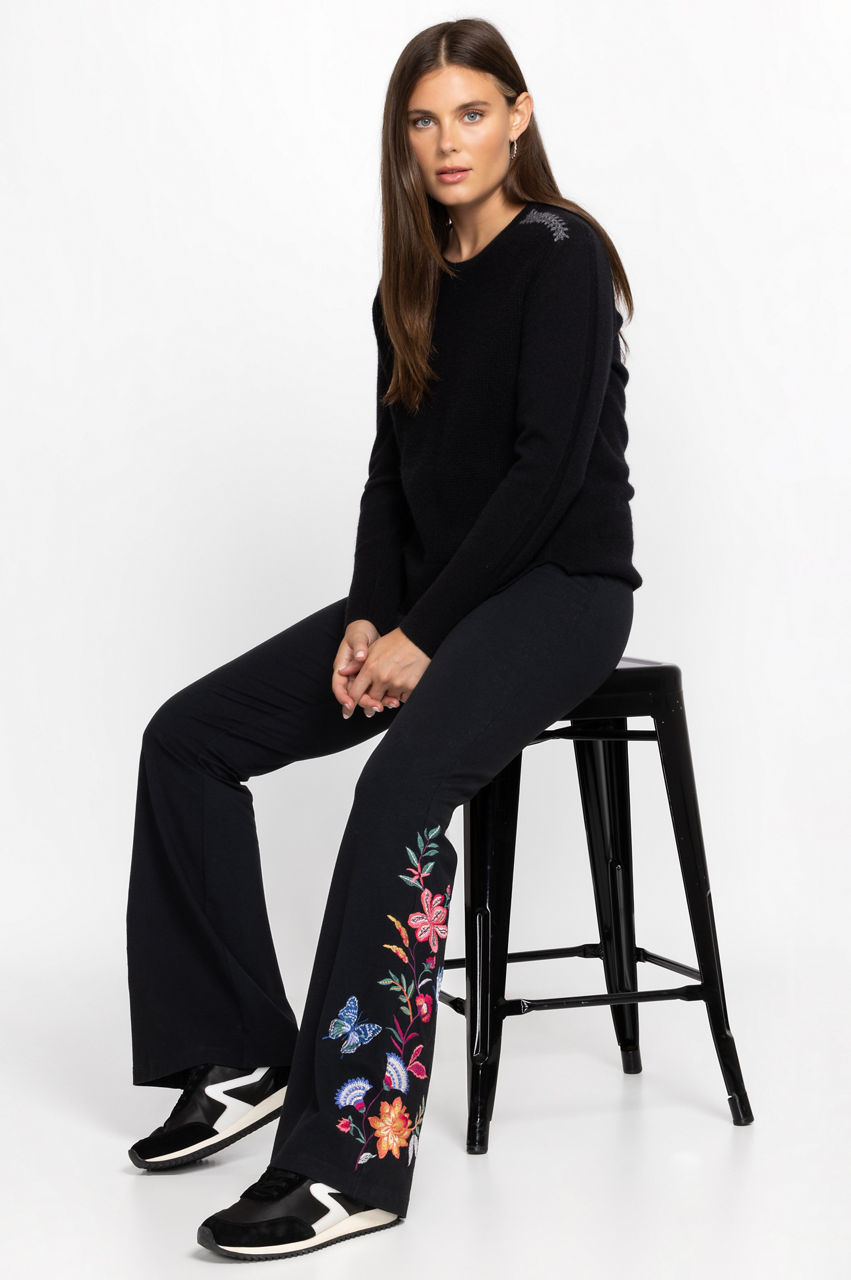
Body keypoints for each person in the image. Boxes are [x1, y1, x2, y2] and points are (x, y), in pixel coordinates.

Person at [125, 15, 642, 1263]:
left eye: (470, 112)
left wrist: (425, 631)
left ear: (517, 116)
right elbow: (389, 477)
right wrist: (370, 611)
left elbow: (541, 476)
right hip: (428, 595)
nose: (447, 141)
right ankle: (242, 1051)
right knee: (188, 739)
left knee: (399, 787)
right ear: (400, 139)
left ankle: (349, 1159)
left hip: (559, 588)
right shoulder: (407, 286)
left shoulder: (561, 255)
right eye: (422, 120)